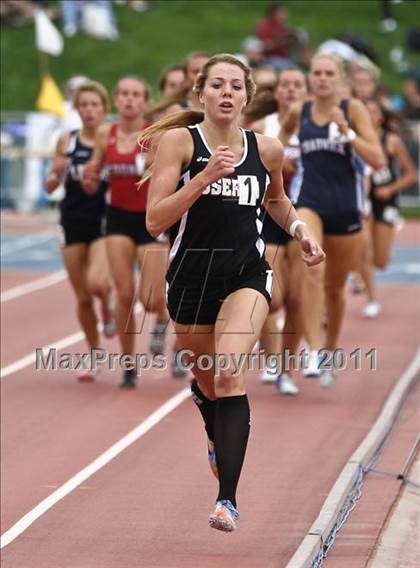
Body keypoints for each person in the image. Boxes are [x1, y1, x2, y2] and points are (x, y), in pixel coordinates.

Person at [140, 54, 325, 531]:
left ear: (247, 96)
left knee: (227, 375)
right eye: (217, 85)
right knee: (209, 387)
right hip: (190, 282)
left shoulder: (266, 149)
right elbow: (156, 219)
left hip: (247, 274)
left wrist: (301, 230)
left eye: (235, 86)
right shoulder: (178, 143)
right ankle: (210, 418)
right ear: (200, 93)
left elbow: (277, 201)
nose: (227, 93)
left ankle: (227, 501)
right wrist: (203, 178)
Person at [280, 53, 385, 388]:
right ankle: (311, 349)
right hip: (309, 201)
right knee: (312, 268)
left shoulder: (353, 109)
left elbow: (377, 158)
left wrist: (347, 132)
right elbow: (279, 142)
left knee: (335, 289)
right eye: (317, 73)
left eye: (328, 73)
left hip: (346, 208)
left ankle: (328, 350)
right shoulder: (302, 111)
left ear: (339, 78)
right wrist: (281, 161)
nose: (322, 79)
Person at [83, 75, 170, 388]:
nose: (130, 100)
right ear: (116, 100)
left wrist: (152, 165)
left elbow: (168, 176)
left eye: (136, 94)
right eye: (124, 94)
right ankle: (129, 364)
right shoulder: (107, 132)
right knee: (123, 294)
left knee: (150, 299)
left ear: (145, 101)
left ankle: (162, 318)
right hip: (117, 218)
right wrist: (90, 178)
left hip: (149, 221)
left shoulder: (156, 135)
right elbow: (95, 171)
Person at [45, 80, 116, 382]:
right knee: (83, 296)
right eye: (83, 105)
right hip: (72, 220)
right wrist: (55, 174)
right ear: (77, 109)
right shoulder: (67, 141)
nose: (89, 111)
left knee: (97, 283)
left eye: (94, 105)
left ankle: (109, 307)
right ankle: (95, 356)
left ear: (104, 109)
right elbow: (50, 186)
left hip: (104, 220)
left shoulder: (114, 139)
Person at [250, 67, 307, 395]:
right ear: (277, 92)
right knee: (274, 298)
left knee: (298, 300)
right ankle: (272, 356)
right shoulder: (263, 128)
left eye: (297, 84)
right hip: (269, 213)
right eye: (285, 84)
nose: (290, 90)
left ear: (306, 91)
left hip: (304, 211)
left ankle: (286, 368)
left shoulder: (316, 129)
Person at [359, 98, 416, 318]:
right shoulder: (353, 140)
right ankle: (371, 299)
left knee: (380, 261)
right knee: (363, 250)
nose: (367, 115)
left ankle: (363, 273)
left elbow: (411, 175)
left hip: (386, 200)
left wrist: (390, 189)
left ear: (380, 117)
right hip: (363, 200)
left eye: (371, 111)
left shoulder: (391, 141)